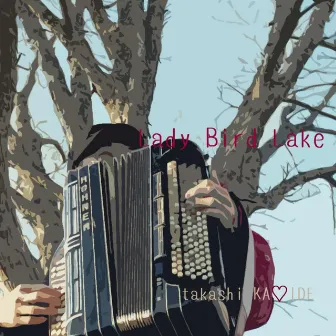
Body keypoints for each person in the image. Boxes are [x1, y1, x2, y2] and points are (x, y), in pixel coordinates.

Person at [0, 125, 275, 335]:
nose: (105, 167)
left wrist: (233, 226)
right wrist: (5, 318)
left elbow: (257, 308)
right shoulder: (65, 262)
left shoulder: (187, 216)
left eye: (123, 157)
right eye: (94, 161)